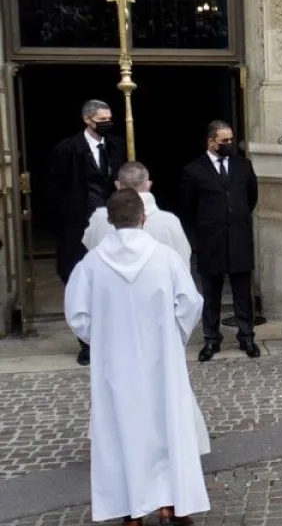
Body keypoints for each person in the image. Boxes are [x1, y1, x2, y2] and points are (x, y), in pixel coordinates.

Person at [64, 190, 209, 526]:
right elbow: (190, 304)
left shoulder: (91, 264)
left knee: (121, 431)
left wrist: (101, 340)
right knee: (166, 425)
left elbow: (78, 315)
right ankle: (171, 504)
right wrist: (172, 336)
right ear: (144, 217)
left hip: (115, 365)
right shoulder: (165, 258)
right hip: (162, 359)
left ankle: (131, 509)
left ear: (110, 221)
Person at [48, 99, 127, 366]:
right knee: (79, 282)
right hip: (76, 226)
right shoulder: (67, 150)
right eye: (102, 119)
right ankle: (87, 343)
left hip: (109, 224)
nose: (107, 123)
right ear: (87, 120)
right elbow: (55, 191)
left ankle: (112, 338)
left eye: (109, 118)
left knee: (110, 282)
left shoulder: (116, 145)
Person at [180, 121, 260, 362]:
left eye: (231, 140)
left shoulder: (242, 165)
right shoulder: (194, 171)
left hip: (239, 238)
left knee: (242, 292)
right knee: (211, 293)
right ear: (211, 141)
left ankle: (246, 337)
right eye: (224, 141)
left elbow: (251, 197)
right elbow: (187, 207)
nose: (229, 145)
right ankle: (211, 339)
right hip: (210, 240)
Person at [83, 162, 191, 264]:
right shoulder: (170, 222)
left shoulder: (99, 219)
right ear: (149, 185)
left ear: (117, 185)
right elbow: (183, 261)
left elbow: (90, 250)